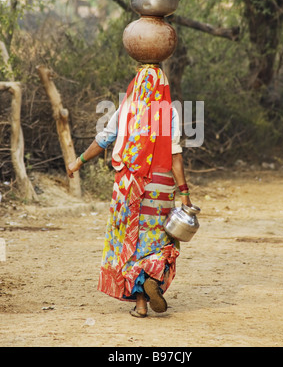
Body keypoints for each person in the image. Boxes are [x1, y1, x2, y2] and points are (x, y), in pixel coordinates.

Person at [68, 64, 193, 317]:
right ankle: (154, 281)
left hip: (128, 186)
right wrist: (184, 192)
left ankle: (140, 305)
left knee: (132, 241)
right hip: (160, 187)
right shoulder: (168, 112)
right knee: (159, 241)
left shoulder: (125, 108)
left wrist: (78, 161)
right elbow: (175, 155)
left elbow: (104, 139)